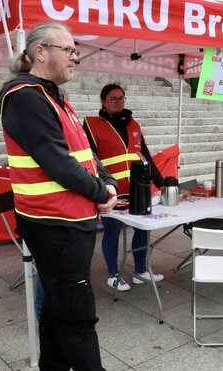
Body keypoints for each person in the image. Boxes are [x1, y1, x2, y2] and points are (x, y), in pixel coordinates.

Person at [0, 22, 117, 370]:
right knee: (76, 313)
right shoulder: (25, 97)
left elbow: (85, 152)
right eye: (68, 50)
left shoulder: (53, 97)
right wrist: (101, 193)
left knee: (56, 304)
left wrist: (106, 180)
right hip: (55, 225)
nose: (75, 57)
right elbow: (57, 162)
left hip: (69, 222)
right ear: (40, 51)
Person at [83, 84, 165, 291]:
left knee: (142, 230)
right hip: (111, 190)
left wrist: (161, 182)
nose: (118, 101)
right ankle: (113, 275)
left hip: (138, 188)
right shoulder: (91, 125)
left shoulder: (134, 124)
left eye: (121, 97)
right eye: (113, 98)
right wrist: (98, 188)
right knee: (112, 231)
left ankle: (140, 271)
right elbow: (88, 160)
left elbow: (144, 154)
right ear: (103, 101)